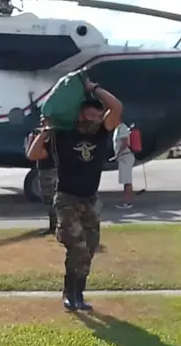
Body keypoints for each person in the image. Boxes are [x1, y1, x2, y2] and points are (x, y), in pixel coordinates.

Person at [27, 81, 123, 311]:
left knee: (89, 248)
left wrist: (93, 88)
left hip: (90, 199)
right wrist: (44, 133)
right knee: (77, 247)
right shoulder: (63, 134)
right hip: (67, 199)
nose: (95, 119)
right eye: (91, 115)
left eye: (98, 116)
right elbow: (33, 154)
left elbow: (117, 108)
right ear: (80, 115)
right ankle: (70, 295)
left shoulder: (102, 133)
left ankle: (77, 293)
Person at [25, 118, 58, 235]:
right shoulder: (40, 135)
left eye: (44, 122)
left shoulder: (51, 136)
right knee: (47, 199)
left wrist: (41, 137)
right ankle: (53, 225)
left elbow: (41, 154)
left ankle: (57, 226)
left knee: (54, 199)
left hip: (51, 169)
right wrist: (32, 139)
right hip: (43, 169)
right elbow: (29, 153)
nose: (41, 124)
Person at [112, 121, 135, 209]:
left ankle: (128, 202)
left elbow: (124, 143)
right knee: (126, 180)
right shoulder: (117, 128)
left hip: (125, 157)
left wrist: (118, 154)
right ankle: (128, 201)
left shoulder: (122, 127)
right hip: (123, 157)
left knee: (127, 181)